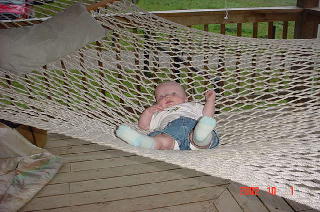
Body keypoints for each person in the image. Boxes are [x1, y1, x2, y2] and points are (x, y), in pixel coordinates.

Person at [116, 81, 219, 150]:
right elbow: (144, 126)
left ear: (185, 99)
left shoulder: (190, 106)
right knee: (162, 139)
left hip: (192, 127)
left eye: (174, 94)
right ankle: (145, 142)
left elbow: (207, 116)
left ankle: (200, 136)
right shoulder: (159, 112)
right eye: (161, 96)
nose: (167, 96)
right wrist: (149, 112)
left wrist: (210, 101)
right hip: (171, 136)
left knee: (203, 133)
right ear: (156, 101)